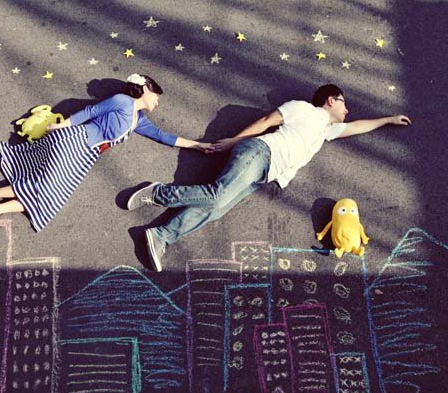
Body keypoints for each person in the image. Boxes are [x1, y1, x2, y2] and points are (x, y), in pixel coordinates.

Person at [126, 84, 411, 272]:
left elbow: (356, 127)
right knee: (217, 195)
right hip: (259, 153)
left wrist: (387, 119)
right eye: (344, 104)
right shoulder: (304, 109)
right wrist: (232, 142)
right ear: (330, 100)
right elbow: (266, 122)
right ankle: (158, 193)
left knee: (214, 209)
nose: (347, 112)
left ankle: (160, 235)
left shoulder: (326, 130)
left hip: (264, 173)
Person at [0, 74, 213, 236]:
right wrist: (62, 125)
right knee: (44, 186)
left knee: (50, 197)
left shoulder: (138, 119)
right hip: (76, 141)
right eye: (156, 94)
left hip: (86, 155)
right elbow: (91, 111)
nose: (158, 100)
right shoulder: (122, 100)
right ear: (145, 88)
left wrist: (198, 146)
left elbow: (163, 136)